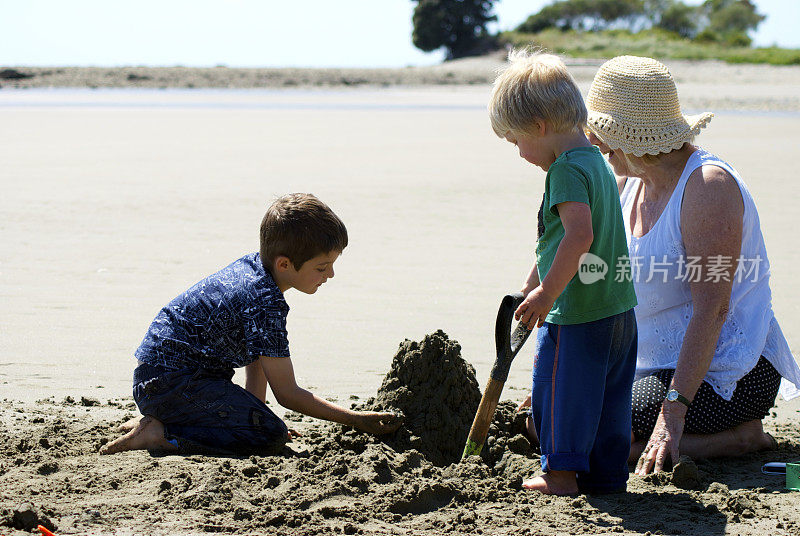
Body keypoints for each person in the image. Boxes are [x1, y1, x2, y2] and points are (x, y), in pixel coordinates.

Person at [583, 55, 800, 475]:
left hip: (729, 369)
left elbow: (713, 309)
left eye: (602, 132)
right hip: (648, 362)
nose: (593, 142)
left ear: (633, 136)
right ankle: (721, 438)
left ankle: (736, 439)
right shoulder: (628, 182)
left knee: (594, 438)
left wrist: (674, 413)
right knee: (554, 424)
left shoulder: (707, 188)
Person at [101, 193, 402, 456]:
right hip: (174, 383)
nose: (331, 275)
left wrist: (252, 415)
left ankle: (164, 415)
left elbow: (256, 355)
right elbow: (287, 393)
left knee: (262, 427)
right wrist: (356, 419)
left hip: (159, 380)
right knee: (270, 437)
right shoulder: (265, 302)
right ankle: (163, 435)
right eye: (322, 267)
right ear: (285, 264)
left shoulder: (256, 268)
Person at [488, 49, 639, 495]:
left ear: (540, 126)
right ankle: (607, 476)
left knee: (560, 392)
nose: (519, 153)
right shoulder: (596, 161)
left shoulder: (565, 172)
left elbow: (578, 238)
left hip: (576, 312)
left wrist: (547, 295)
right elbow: (556, 241)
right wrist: (532, 284)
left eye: (516, 141)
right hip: (618, 309)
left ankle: (559, 475)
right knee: (611, 396)